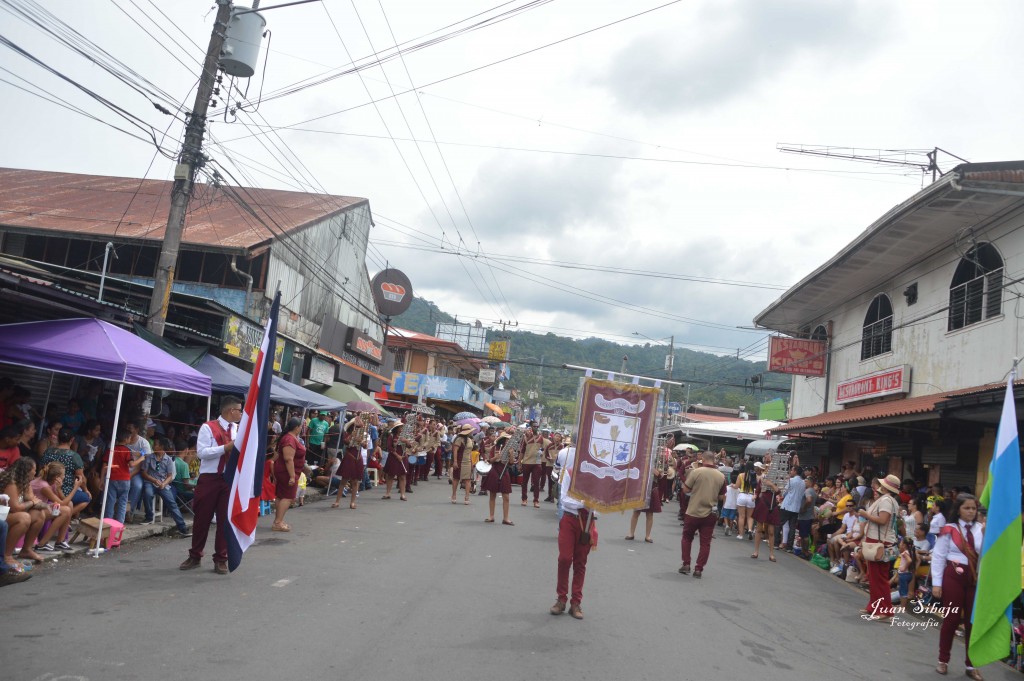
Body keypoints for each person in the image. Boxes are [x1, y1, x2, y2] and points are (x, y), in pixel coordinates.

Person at [180, 396, 242, 575]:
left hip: (229, 478)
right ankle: (195, 555)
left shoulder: (238, 429)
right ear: (231, 410)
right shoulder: (208, 427)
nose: (241, 413)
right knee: (202, 518)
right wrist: (226, 448)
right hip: (209, 478)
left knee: (224, 519)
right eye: (239, 410)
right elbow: (201, 453)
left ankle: (221, 558)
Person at [931, 493, 984, 680]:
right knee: (951, 619)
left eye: (973, 508)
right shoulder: (949, 529)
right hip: (953, 575)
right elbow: (938, 556)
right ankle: (943, 660)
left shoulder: (982, 529)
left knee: (972, 622)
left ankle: (971, 665)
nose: (971, 511)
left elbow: (986, 556)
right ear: (958, 510)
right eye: (966, 508)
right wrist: (936, 583)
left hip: (975, 579)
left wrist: (987, 536)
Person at [550, 442, 596, 620]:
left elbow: (599, 508)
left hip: (588, 522)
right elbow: (565, 501)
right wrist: (585, 503)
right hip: (570, 519)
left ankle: (575, 602)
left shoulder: (598, 480)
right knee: (564, 559)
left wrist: (593, 505)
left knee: (580, 562)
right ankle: (561, 599)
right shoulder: (569, 473)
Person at [679, 451, 726, 578]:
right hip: (710, 512)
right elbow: (722, 496)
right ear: (713, 460)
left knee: (687, 538)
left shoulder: (696, 472)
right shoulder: (721, 476)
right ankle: (699, 569)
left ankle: (686, 564)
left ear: (703, 459)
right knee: (705, 543)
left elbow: (686, 489)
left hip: (693, 510)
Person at [859, 474, 900, 619]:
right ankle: (874, 606)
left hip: (880, 541)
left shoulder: (886, 501)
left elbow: (882, 520)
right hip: (878, 540)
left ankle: (885, 610)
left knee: (879, 577)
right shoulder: (888, 500)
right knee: (874, 577)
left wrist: (865, 514)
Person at [0, 458, 48, 563]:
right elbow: (15, 507)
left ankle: (26, 549)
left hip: (12, 514)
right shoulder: (12, 483)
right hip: (3, 515)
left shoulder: (24, 482)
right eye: (34, 470)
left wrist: (32, 501)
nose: (35, 472)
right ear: (26, 470)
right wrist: (31, 502)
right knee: (24, 517)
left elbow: (33, 499)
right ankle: (6, 555)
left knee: (39, 514)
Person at [140, 438, 191, 536]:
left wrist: (164, 483)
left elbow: (170, 476)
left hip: (163, 484)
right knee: (148, 493)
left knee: (172, 503)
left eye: (156, 444)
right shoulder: (149, 457)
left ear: (162, 447)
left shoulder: (168, 460)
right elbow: (144, 473)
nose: (153, 446)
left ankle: (182, 527)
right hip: (150, 482)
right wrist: (153, 480)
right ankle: (149, 516)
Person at [40, 428, 90, 518]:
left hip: (46, 487)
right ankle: (64, 516)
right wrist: (86, 490)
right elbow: (80, 478)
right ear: (72, 440)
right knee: (86, 498)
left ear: (58, 438)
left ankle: (63, 515)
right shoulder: (74, 456)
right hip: (65, 491)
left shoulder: (48, 451)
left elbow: (42, 467)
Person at [27, 462, 75, 551]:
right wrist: (75, 487)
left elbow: (63, 500)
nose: (64, 477)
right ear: (57, 477)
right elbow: (62, 503)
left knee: (69, 505)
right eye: (63, 475)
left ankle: (60, 541)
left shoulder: (50, 482)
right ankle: (42, 543)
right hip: (33, 511)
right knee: (66, 510)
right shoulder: (44, 486)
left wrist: (58, 489)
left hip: (41, 508)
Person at [272, 417, 306, 531]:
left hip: (286, 470)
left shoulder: (290, 438)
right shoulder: (289, 439)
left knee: (281, 496)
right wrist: (292, 476)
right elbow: (288, 459)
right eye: (300, 427)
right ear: (296, 428)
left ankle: (278, 520)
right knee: (287, 497)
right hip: (287, 472)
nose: (301, 429)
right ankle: (278, 522)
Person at [627, 455, 664, 543]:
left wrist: (657, 473)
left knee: (650, 514)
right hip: (640, 489)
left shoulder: (657, 463)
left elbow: (661, 477)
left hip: (652, 489)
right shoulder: (639, 463)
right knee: (636, 512)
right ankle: (631, 533)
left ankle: (648, 536)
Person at [750, 462, 781, 562]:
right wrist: (755, 496)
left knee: (771, 531)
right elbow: (758, 491)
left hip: (772, 506)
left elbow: (778, 491)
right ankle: (756, 551)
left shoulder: (777, 480)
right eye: (767, 468)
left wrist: (771, 484)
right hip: (763, 505)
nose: (767, 470)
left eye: (769, 468)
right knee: (759, 529)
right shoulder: (762, 479)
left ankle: (771, 554)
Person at [102, 428, 134, 523]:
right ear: (126, 439)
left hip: (112, 478)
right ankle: (119, 525)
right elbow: (131, 464)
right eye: (129, 438)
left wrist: (101, 479)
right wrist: (141, 459)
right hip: (124, 479)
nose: (130, 440)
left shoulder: (111, 450)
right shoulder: (127, 451)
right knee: (122, 503)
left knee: (110, 502)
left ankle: (107, 524)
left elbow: (104, 465)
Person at [482, 431, 514, 525]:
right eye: (507, 439)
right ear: (503, 440)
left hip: (504, 472)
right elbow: (489, 461)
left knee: (506, 496)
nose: (509, 441)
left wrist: (511, 454)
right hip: (494, 471)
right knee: (492, 495)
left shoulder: (510, 449)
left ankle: (506, 518)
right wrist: (496, 457)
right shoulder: (495, 448)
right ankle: (491, 516)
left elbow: (511, 463)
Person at [779, 466, 806, 551]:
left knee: (779, 524)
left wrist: (782, 496)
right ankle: (789, 547)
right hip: (796, 508)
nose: (790, 471)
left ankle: (776, 543)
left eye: (792, 470)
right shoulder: (803, 483)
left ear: (795, 471)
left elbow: (784, 492)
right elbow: (802, 495)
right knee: (792, 527)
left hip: (787, 505)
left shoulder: (791, 480)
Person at [381, 420, 409, 501]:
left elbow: (410, 446)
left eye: (402, 427)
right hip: (393, 457)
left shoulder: (405, 436)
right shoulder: (392, 436)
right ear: (396, 428)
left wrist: (406, 441)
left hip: (403, 457)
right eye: (400, 427)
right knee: (390, 476)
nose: (401, 428)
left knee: (402, 476)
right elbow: (389, 447)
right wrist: (397, 456)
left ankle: (403, 494)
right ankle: (388, 493)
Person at [449, 424, 474, 505]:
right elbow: (455, 451)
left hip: (468, 462)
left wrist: (472, 462)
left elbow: (470, 452)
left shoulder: (470, 440)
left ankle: (467, 497)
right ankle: (453, 495)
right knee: (456, 478)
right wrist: (455, 461)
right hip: (460, 461)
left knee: (468, 480)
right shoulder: (459, 439)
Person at [735, 460, 757, 540]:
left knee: (741, 516)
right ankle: (750, 530)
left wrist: (732, 485)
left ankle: (741, 534)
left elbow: (737, 486)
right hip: (751, 496)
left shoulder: (741, 475)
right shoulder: (755, 476)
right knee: (750, 517)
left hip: (742, 495)